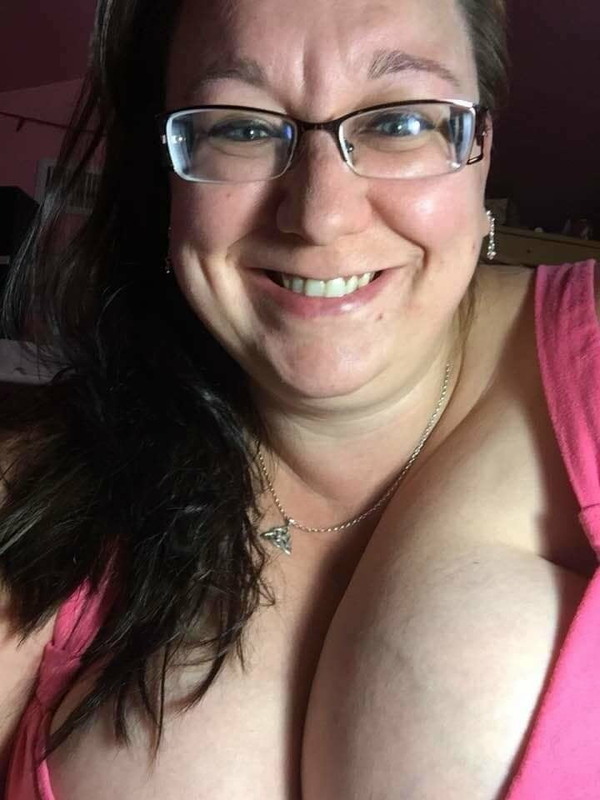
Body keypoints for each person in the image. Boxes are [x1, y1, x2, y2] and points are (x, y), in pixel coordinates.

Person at [1, 0, 599, 797]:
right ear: (170, 166)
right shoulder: (38, 493)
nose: (320, 216)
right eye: (242, 128)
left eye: (398, 122)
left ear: (480, 148)